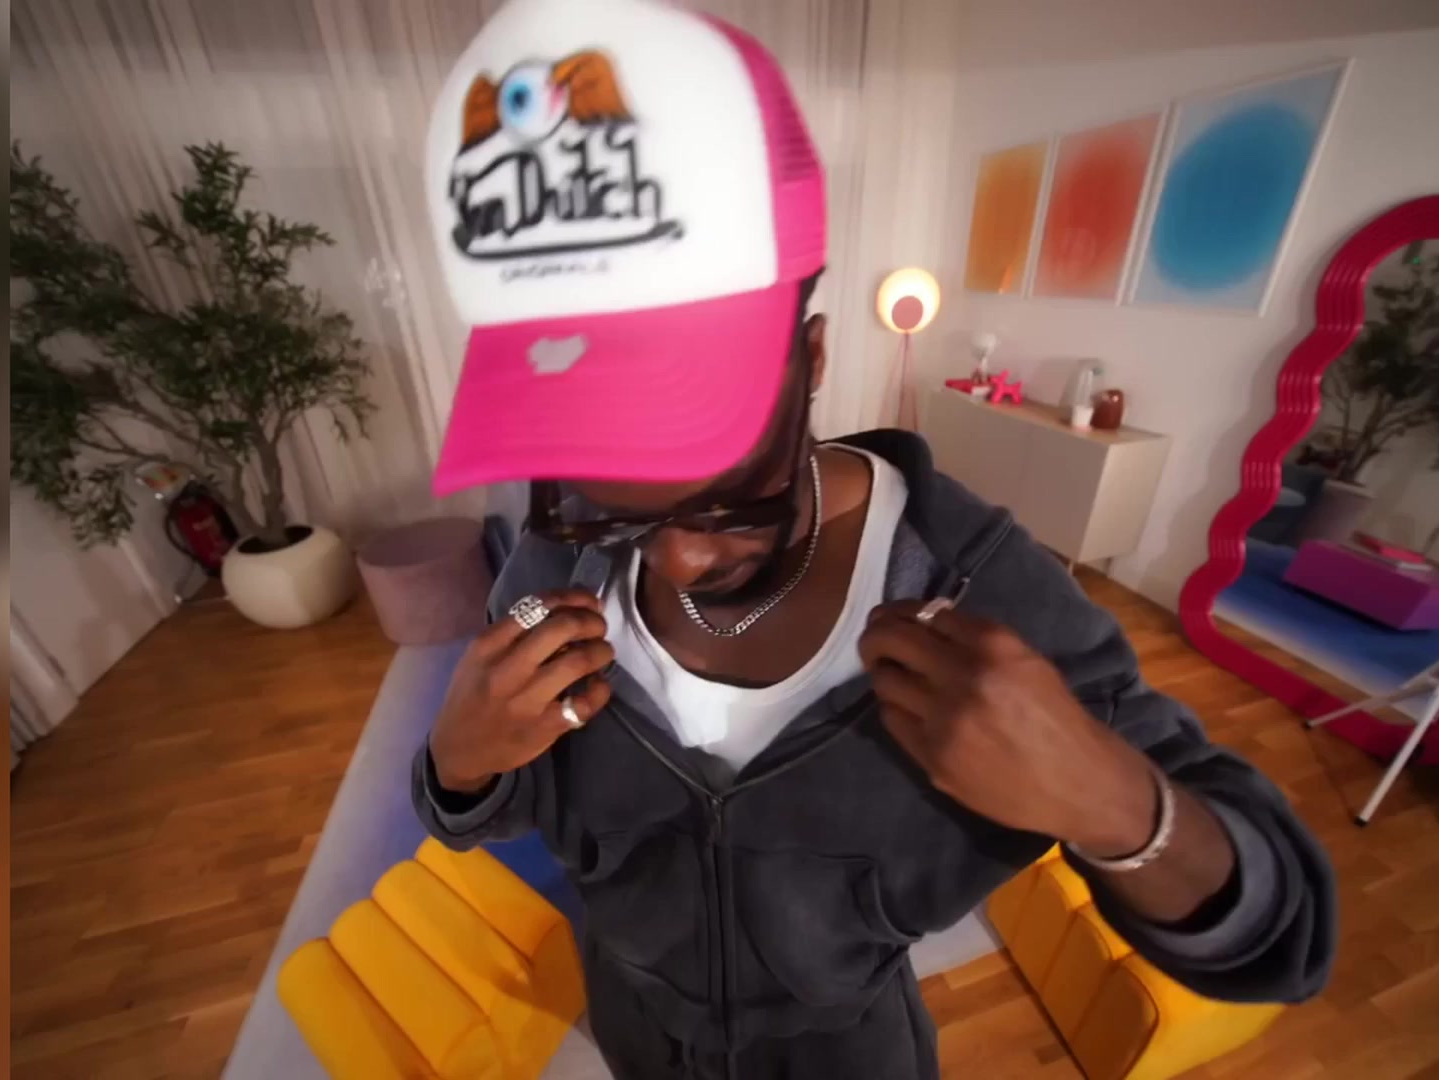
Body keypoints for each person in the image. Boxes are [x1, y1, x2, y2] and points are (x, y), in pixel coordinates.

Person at [413, 2, 1335, 1076]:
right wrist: (458, 765)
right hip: (637, 1036)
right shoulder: (551, 563)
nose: (673, 561)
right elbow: (489, 804)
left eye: (727, 499)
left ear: (813, 359)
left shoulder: (983, 600)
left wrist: (1111, 801)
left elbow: (1282, 939)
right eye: (607, 505)